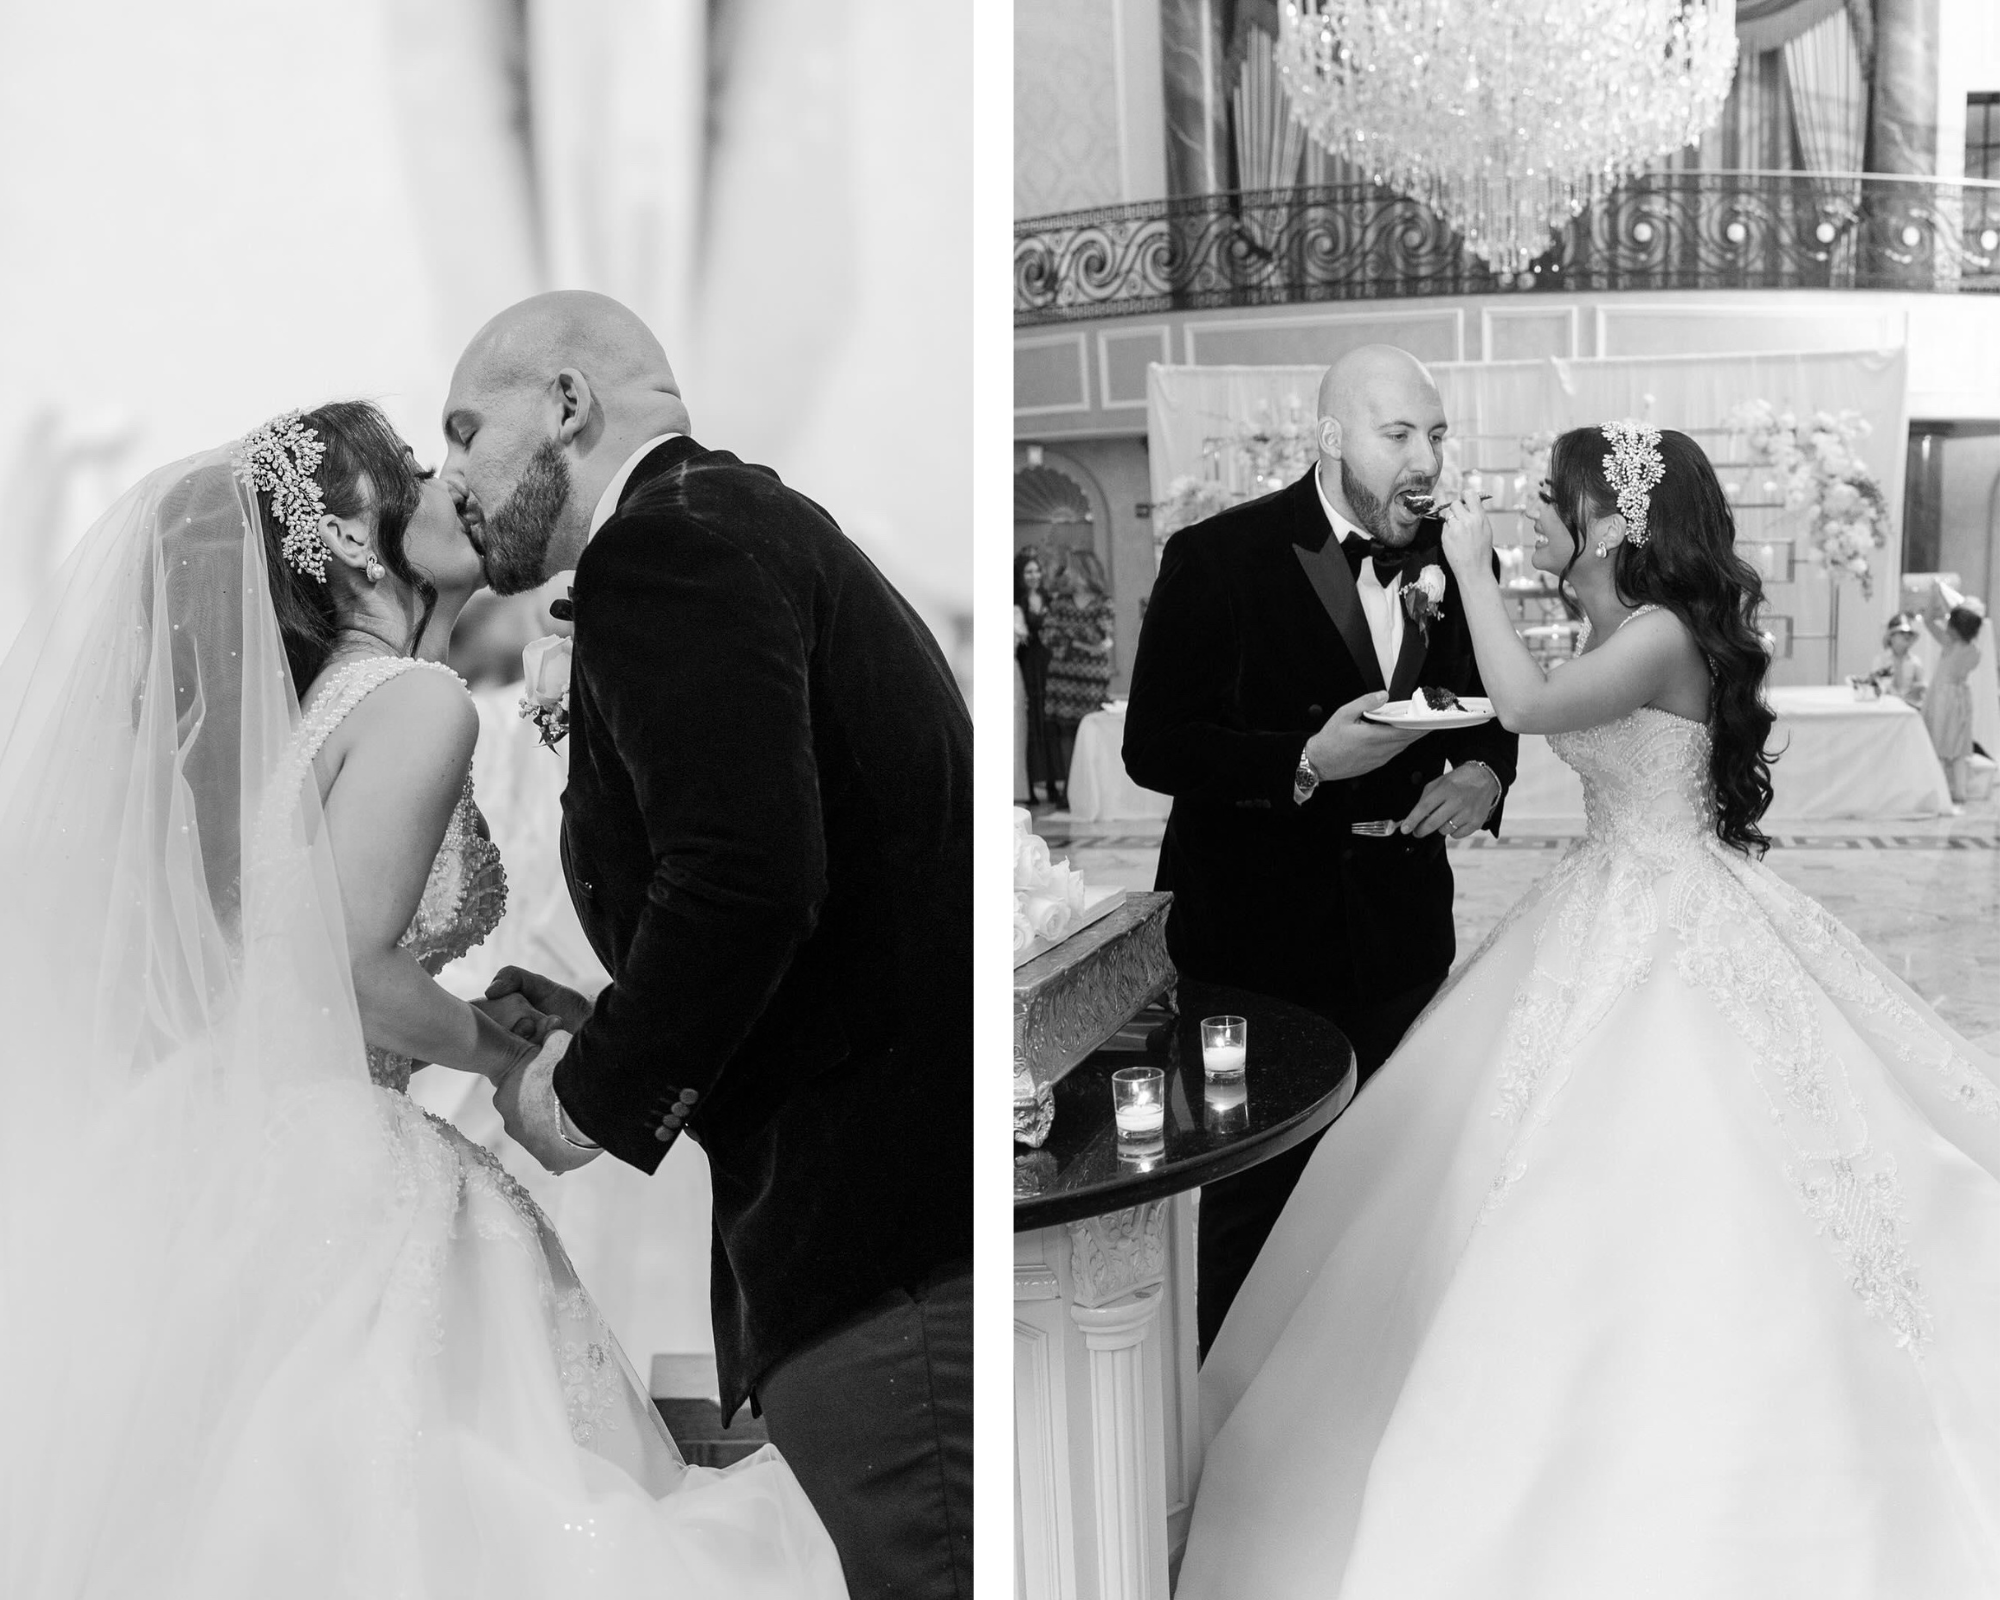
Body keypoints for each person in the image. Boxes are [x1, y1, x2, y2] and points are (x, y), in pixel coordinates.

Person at [0, 402, 846, 1597]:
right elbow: (343, 971)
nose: (440, 480)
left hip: (216, 1145)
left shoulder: (278, 724)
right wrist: (501, 1056)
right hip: (344, 1158)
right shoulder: (411, 699)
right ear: (348, 537)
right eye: (403, 467)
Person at [1178, 422, 2000, 1599]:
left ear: (1611, 520)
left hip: (1668, 918)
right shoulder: (1626, 628)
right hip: (1602, 899)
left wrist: (1466, 568)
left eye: (1550, 502)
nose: (1529, 516)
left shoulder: (1658, 634)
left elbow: (1517, 707)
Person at [442, 291, 972, 1600]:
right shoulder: (734, 529)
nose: (451, 475)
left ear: (566, 404)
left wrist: (583, 1099)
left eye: (465, 431)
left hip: (874, 1251)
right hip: (883, 1225)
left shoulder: (669, 549)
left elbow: (745, 876)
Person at [1122, 345, 1519, 1354]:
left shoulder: (1458, 556)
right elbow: (1154, 745)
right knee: (1256, 1207)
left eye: (1434, 433)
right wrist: (1302, 759)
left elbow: (1489, 704)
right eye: (1398, 435)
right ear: (1327, 436)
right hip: (1254, 948)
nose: (1425, 458)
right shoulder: (1216, 558)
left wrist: (1483, 772)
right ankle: (1230, 1433)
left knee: (1385, 1194)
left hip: (1395, 935)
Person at [1041, 548, 1118, 787]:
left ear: (1084, 571)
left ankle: (1091, 788)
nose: (1067, 574)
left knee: (1090, 733)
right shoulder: (1060, 602)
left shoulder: (1104, 602)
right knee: (1065, 733)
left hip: (1092, 681)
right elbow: (1048, 635)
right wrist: (1079, 641)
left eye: (1072, 569)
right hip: (1062, 679)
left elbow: (1098, 634)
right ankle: (1071, 789)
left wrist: (1069, 635)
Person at [1922, 587, 1985, 805]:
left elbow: (1928, 621)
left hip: (1943, 698)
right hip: (1961, 697)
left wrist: (1935, 599)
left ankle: (1939, 788)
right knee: (1959, 746)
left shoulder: (1951, 644)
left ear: (1955, 628)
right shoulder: (1975, 649)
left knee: (1937, 741)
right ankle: (1960, 790)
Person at [1015, 546, 1059, 803]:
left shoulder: (1050, 600)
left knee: (1048, 721)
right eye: (1028, 571)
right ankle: (1030, 785)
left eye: (1036, 570)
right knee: (1032, 723)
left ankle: (1053, 782)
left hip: (1048, 663)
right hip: (1028, 664)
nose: (1033, 575)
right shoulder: (1017, 602)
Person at [1875, 611, 1927, 705]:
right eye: (1902, 632)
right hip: (1886, 707)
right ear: (1891, 637)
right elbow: (1876, 686)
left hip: (1909, 708)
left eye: (1909, 633)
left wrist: (1918, 689)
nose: (1906, 636)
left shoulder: (1915, 662)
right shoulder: (1881, 661)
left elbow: (1922, 686)